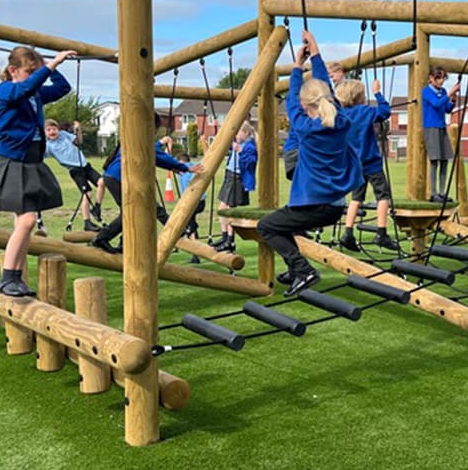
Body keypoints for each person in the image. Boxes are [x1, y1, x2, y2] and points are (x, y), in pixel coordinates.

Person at [257, 29, 362, 297]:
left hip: (316, 206)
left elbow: (292, 99)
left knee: (267, 226)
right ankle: (295, 270)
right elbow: (327, 91)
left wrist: (296, 65)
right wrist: (315, 52)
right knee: (286, 223)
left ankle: (302, 270)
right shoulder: (342, 121)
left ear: (305, 106)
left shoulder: (305, 127)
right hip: (336, 205)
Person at [0, 46, 76, 296]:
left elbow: (62, 89)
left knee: (23, 222)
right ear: (13, 70)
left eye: (35, 72)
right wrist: (49, 66)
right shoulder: (6, 90)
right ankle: (8, 277)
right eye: (29, 71)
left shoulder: (34, 93)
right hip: (11, 160)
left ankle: (15, 277)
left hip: (30, 161)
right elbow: (24, 88)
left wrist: (51, 67)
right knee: (28, 220)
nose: (33, 76)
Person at [91, 112, 203, 254]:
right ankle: (102, 238)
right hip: (119, 178)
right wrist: (184, 167)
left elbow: (153, 154)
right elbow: (158, 156)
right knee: (134, 211)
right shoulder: (141, 139)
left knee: (135, 210)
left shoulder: (133, 136)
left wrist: (171, 162)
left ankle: (123, 243)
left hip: (114, 177)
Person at [336, 78, 398, 252]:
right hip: (371, 163)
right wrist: (377, 93)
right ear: (359, 97)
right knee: (383, 196)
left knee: (356, 198)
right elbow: (385, 112)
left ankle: (348, 233)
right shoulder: (366, 111)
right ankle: (382, 232)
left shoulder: (342, 114)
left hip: (354, 165)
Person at [44, 118, 105, 231]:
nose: (52, 132)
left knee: (102, 182)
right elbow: (40, 155)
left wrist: (78, 129)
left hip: (85, 165)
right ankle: (87, 222)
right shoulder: (48, 146)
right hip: (75, 170)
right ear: (45, 133)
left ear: (58, 129)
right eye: (48, 130)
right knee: (87, 194)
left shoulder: (63, 135)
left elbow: (78, 141)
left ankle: (97, 207)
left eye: (54, 129)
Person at [212, 120, 257, 252]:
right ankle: (224, 236)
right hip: (229, 175)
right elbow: (227, 137)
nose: (236, 135)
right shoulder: (238, 142)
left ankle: (230, 240)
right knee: (222, 208)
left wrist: (241, 151)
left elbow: (251, 163)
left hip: (237, 179)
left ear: (246, 133)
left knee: (229, 210)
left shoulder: (249, 146)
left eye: (238, 132)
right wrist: (219, 127)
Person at [422, 64, 460, 202]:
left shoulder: (443, 91)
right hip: (431, 128)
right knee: (434, 161)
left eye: (443, 78)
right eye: (439, 78)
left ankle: (442, 193)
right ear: (431, 78)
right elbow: (436, 104)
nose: (441, 81)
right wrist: (449, 93)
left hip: (442, 127)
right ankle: (433, 194)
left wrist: (453, 97)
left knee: (444, 160)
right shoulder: (426, 92)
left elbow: (447, 109)